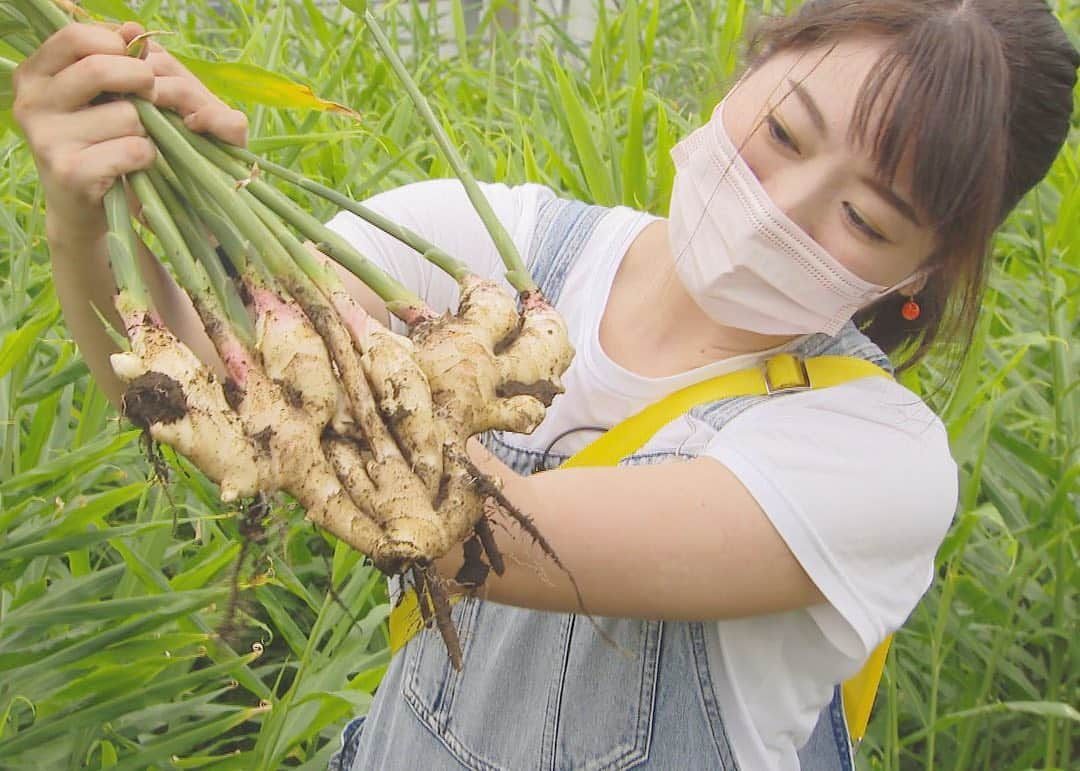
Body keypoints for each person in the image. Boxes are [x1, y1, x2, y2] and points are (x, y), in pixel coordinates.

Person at [13, 0, 1077, 769]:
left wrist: (285, 354)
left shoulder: (876, 459)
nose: (780, 204)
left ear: (924, 272)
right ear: (753, 63)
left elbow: (450, 523)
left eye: (866, 218)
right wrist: (102, 197)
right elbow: (197, 385)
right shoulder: (487, 238)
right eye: (787, 132)